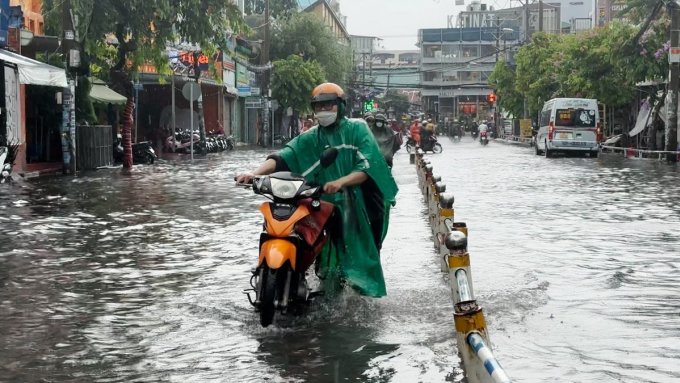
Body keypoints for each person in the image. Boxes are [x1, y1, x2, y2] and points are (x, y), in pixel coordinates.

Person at [235, 82, 398, 297]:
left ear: (340, 106)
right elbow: (285, 155)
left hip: (360, 202)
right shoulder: (312, 136)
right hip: (324, 199)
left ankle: (362, 295)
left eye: (329, 105)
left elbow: (367, 166)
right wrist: (255, 174)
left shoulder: (357, 129)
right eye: (319, 106)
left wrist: (341, 182)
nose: (323, 110)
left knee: (363, 253)